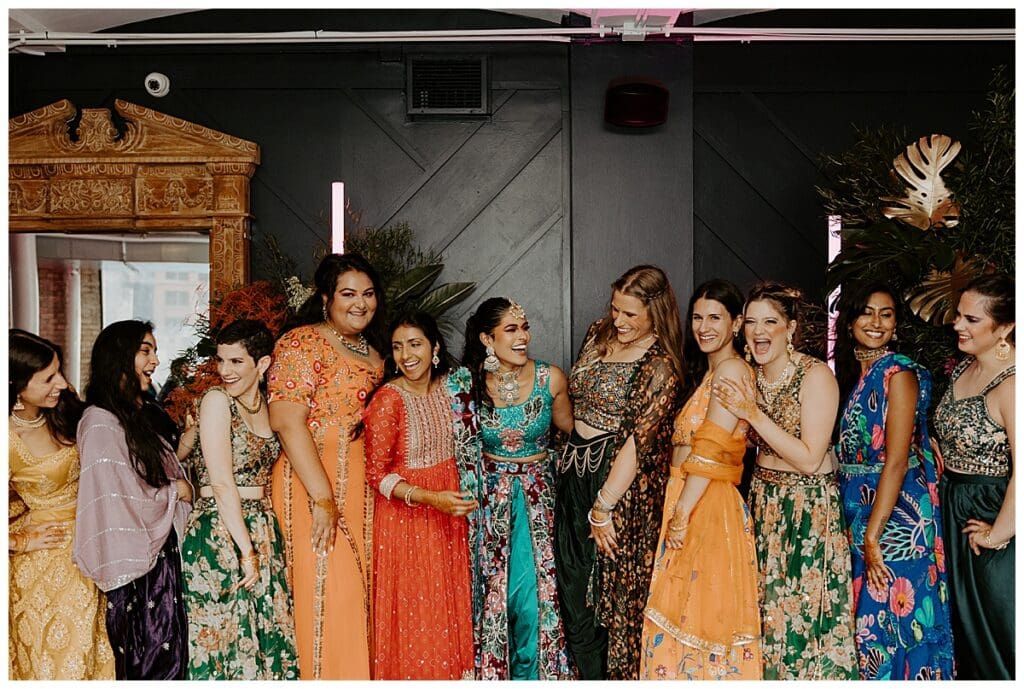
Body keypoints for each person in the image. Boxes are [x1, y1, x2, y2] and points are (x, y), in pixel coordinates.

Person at [714, 282, 857, 680]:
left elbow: (812, 459)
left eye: (771, 322)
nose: (760, 331)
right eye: (752, 323)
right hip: (763, 502)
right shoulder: (748, 375)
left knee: (803, 617)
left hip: (807, 509)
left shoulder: (815, 376)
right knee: (765, 615)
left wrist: (753, 414)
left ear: (790, 328)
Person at [554, 264, 684, 680]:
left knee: (611, 597)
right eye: (616, 309)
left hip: (618, 488)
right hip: (575, 470)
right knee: (572, 588)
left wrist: (604, 506)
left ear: (655, 312)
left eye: (631, 314)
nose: (620, 321)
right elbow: (573, 404)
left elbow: (638, 441)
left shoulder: (661, 363)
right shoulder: (597, 333)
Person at [267, 253, 385, 679]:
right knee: (326, 592)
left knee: (359, 596)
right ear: (325, 298)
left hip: (360, 485)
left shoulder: (375, 351)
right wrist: (322, 497)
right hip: (312, 481)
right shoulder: (302, 343)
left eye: (368, 294)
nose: (360, 303)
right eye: (348, 294)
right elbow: (285, 420)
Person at [639, 279, 761, 680]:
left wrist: (681, 514)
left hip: (705, 502)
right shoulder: (712, 372)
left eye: (715, 317)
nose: (704, 326)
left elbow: (709, 450)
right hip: (690, 494)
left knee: (698, 618)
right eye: (697, 317)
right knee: (684, 615)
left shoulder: (731, 370)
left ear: (737, 323)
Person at [833, 282, 954, 679]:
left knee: (894, 616)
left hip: (895, 515)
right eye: (867, 312)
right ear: (850, 320)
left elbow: (897, 460)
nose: (876, 322)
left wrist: (873, 535)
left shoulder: (898, 373)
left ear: (897, 325)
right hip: (862, 507)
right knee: (870, 619)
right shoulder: (859, 374)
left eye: (886, 314)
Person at [73, 320, 193, 680]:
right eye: (145, 351)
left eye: (154, 351)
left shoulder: (135, 414)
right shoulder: (99, 422)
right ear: (118, 357)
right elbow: (116, 496)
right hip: (138, 575)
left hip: (158, 561)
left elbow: (144, 474)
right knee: (149, 662)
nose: (156, 361)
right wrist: (176, 492)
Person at [462, 297, 574, 680]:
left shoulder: (550, 379)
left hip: (539, 501)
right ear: (486, 338)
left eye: (524, 327)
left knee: (531, 599)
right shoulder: (467, 384)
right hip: (488, 504)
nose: (522, 336)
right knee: (494, 594)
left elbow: (573, 436)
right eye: (511, 329)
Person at [181, 319, 299, 679]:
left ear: (262, 364)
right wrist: (246, 551)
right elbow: (221, 483)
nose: (225, 371)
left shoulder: (269, 405)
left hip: (261, 525)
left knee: (268, 633)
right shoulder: (216, 401)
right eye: (221, 361)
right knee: (224, 640)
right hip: (219, 531)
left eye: (236, 362)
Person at [364, 312, 476, 679]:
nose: (405, 355)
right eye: (397, 347)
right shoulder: (388, 400)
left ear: (435, 348)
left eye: (415, 344)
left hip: (450, 517)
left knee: (447, 608)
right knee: (418, 615)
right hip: (408, 520)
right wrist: (430, 498)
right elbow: (376, 475)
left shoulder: (454, 388)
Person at [8, 330, 115, 680]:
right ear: (16, 387)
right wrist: (20, 542)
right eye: (49, 378)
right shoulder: (6, 438)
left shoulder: (63, 407)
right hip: (49, 564)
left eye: (60, 371)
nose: (63, 383)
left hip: (96, 544)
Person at [932, 273, 1015, 680]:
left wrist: (998, 534)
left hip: (993, 516)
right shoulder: (965, 368)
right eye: (958, 315)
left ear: (1005, 328)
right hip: (954, 510)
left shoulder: (1013, 384)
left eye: (971, 320)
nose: (958, 325)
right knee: (965, 636)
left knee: (999, 635)